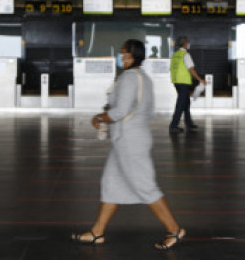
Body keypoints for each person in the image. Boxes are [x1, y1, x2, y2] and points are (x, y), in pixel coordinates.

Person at [71, 39, 186, 251]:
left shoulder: (129, 78)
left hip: (130, 141)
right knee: (111, 183)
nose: (121, 57)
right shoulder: (143, 78)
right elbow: (142, 108)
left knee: (145, 186)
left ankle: (174, 230)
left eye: (124, 54)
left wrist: (100, 117)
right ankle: (97, 232)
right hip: (130, 138)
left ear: (133, 55)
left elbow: (119, 112)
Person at [169, 36, 205, 133]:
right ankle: (173, 125)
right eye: (188, 42)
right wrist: (200, 79)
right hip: (183, 82)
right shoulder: (185, 55)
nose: (188, 43)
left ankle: (189, 123)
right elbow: (191, 69)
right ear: (185, 44)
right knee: (180, 104)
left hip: (176, 81)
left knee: (186, 102)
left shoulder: (175, 55)